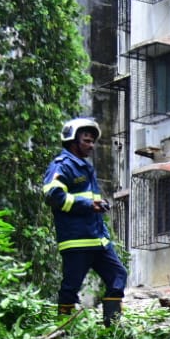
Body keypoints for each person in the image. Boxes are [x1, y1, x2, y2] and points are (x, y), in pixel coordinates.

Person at [42, 117, 126, 326]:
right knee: (70, 288)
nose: (91, 146)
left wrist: (99, 204)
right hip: (77, 241)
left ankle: (112, 330)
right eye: (86, 141)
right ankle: (63, 332)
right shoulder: (62, 166)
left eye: (92, 141)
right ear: (73, 141)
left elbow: (90, 200)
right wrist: (88, 205)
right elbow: (53, 196)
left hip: (98, 239)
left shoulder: (85, 168)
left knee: (118, 276)